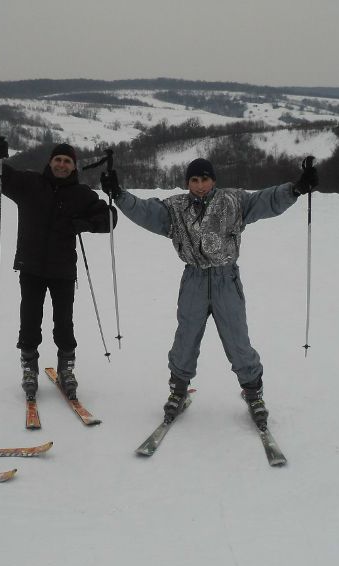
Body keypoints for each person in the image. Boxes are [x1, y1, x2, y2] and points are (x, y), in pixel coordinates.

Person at [101, 157, 318, 428]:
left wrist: (296, 189)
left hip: (226, 280)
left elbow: (266, 201)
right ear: (187, 183)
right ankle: (178, 391)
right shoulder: (175, 208)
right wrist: (119, 194)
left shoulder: (234, 202)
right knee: (186, 338)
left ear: (213, 180)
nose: (200, 185)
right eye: (194, 180)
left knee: (237, 339)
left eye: (204, 179)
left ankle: (253, 392)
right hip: (193, 280)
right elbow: (145, 211)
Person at [0, 137, 116, 400]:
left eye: (67, 161)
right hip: (31, 266)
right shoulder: (30, 184)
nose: (62, 164)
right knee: (30, 319)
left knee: (63, 323)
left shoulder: (81, 195)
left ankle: (66, 368)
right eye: (58, 159)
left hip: (63, 270)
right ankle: (29, 367)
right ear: (50, 162)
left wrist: (83, 223)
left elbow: (110, 218)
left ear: (74, 167)